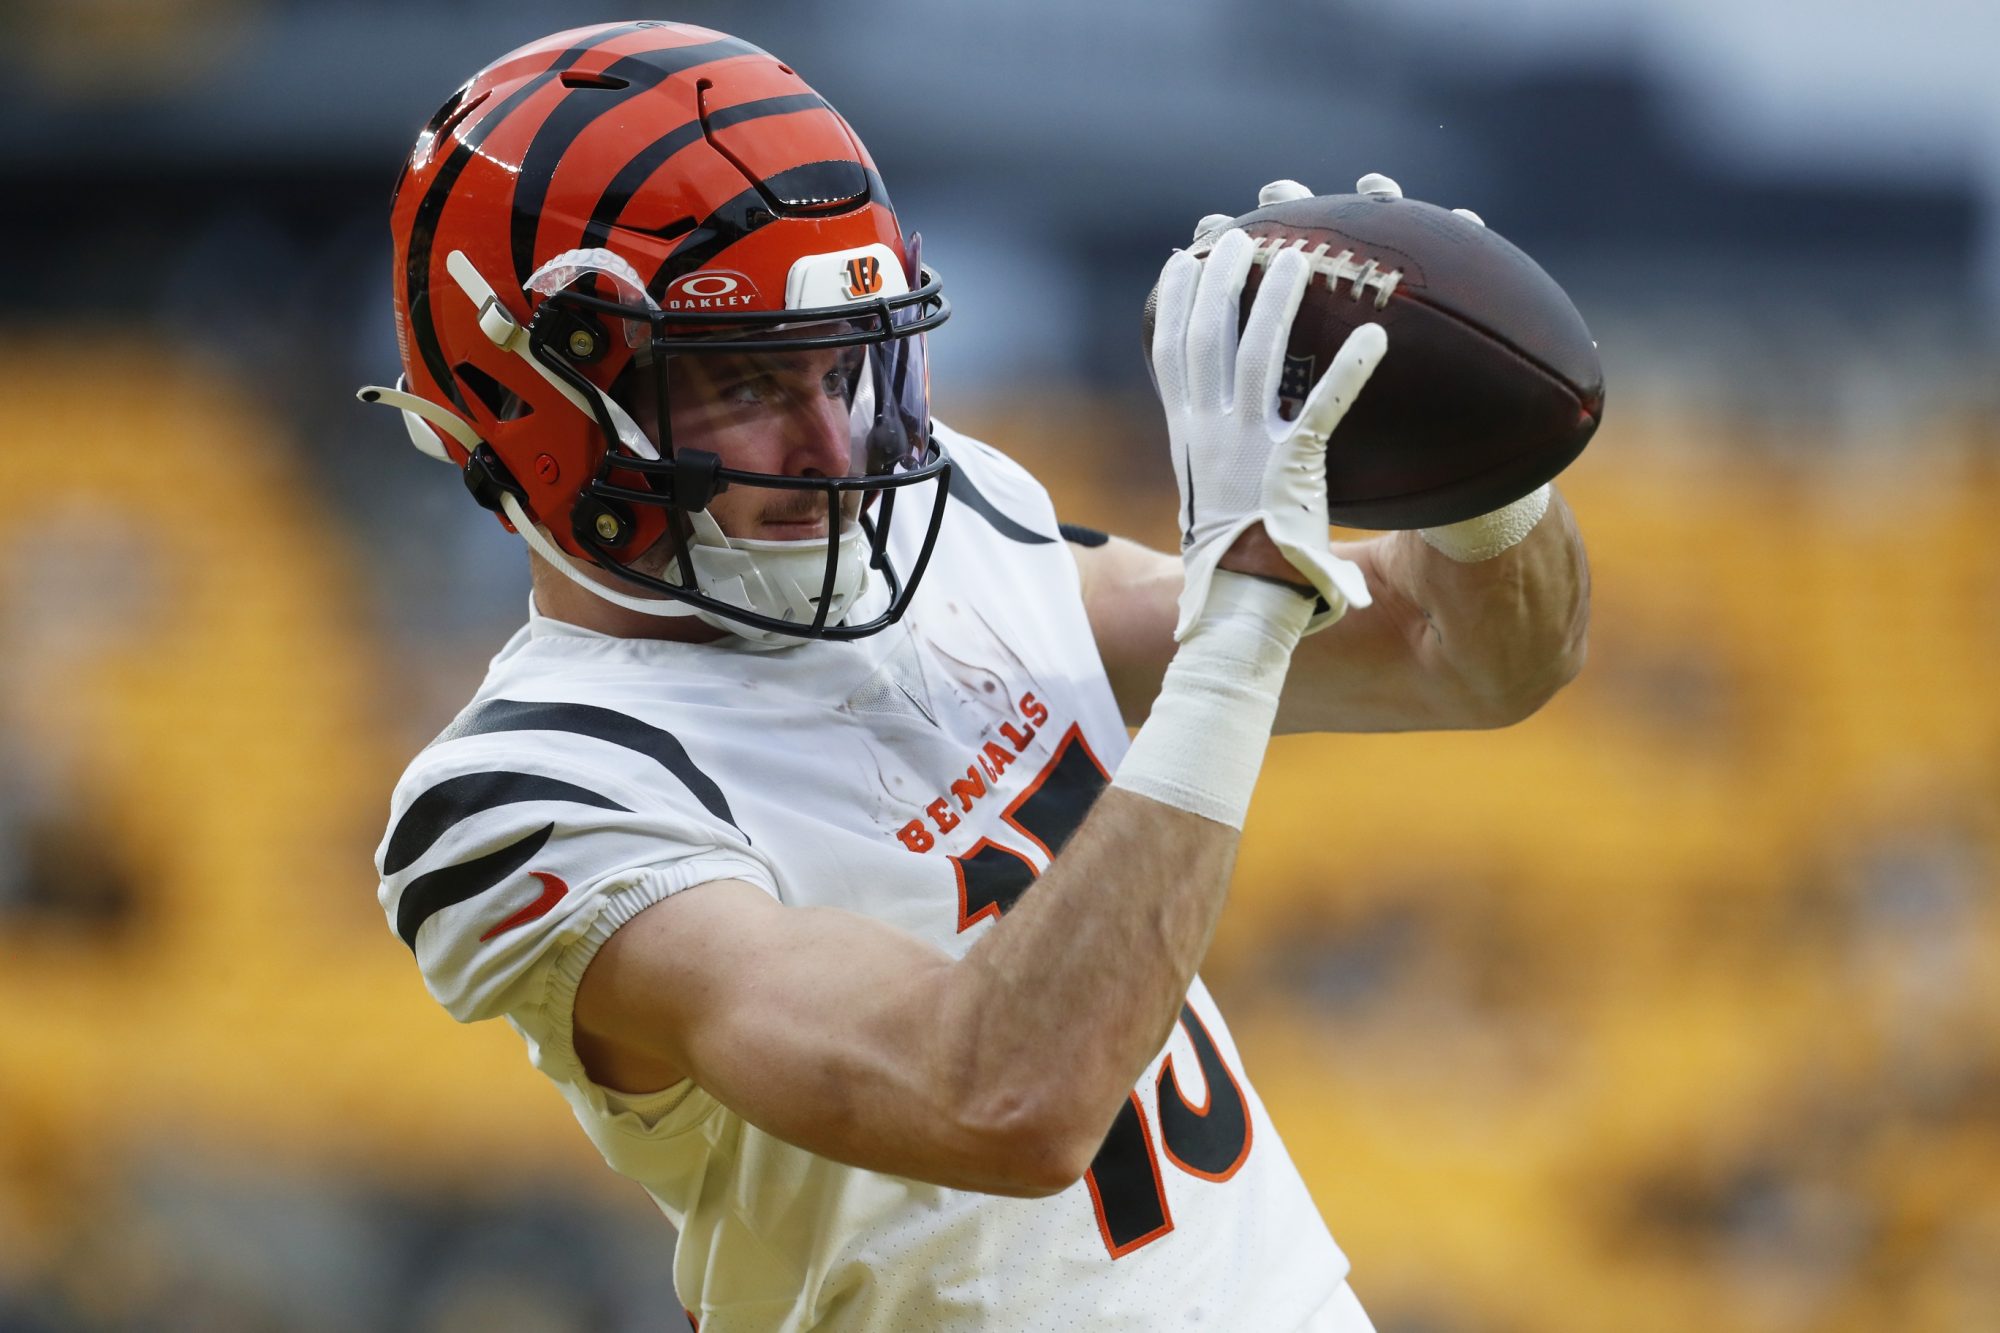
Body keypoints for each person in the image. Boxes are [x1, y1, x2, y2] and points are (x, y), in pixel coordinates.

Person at [364, 20, 1589, 1332]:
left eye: (844, 361)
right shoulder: (526, 792)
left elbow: (1461, 655)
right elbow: (998, 1095)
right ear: (532, 406)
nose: (836, 448)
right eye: (742, 382)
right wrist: (1235, 625)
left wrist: (1472, 469)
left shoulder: (955, 518)